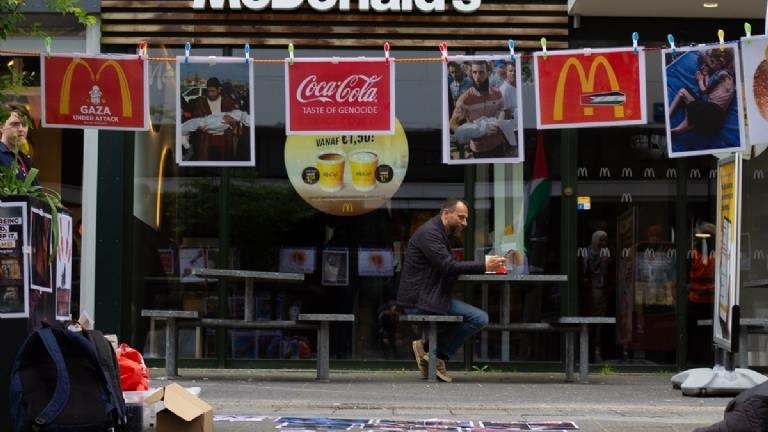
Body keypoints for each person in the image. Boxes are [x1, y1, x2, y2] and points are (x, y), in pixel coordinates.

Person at [396, 198, 505, 382]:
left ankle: (428, 350)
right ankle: (434, 355)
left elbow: (447, 266)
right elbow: (449, 266)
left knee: (472, 318)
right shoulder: (430, 233)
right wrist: (484, 265)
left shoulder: (440, 232)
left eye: (466, 219)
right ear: (446, 213)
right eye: (461, 217)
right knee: (479, 318)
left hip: (430, 297)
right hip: (420, 300)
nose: (465, 223)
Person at [449, 61, 514, 159]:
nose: (477, 76)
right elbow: (452, 123)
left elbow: (503, 112)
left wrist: (500, 125)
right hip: (479, 149)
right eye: (474, 72)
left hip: (498, 145)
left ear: (488, 73)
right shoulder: (465, 98)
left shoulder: (497, 93)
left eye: (481, 72)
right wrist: (467, 132)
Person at [669, 49, 735, 135]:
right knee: (698, 109)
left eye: (712, 61)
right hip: (717, 119)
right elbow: (709, 88)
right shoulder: (729, 77)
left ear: (721, 62)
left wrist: (700, 79)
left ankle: (668, 115)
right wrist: (706, 75)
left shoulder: (722, 73)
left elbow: (704, 90)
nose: (711, 64)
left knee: (683, 91)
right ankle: (685, 126)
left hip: (710, 111)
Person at [182, 77, 246, 161]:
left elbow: (238, 123)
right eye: (208, 91)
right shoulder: (200, 102)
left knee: (223, 167)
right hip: (205, 141)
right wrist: (199, 128)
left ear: (219, 89)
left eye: (213, 91)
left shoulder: (229, 102)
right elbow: (195, 119)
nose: (210, 94)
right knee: (207, 168)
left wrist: (232, 122)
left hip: (224, 141)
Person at [688, 221, 715, 364]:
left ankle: (702, 358)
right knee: (699, 332)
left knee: (704, 332)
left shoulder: (712, 254)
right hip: (699, 300)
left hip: (706, 300)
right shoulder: (695, 254)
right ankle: (697, 358)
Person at [582, 230, 611, 362]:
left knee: (600, 323)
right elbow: (584, 272)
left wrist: (605, 262)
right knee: (590, 323)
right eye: (601, 240)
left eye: (605, 240)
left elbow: (606, 275)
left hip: (602, 292)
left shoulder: (606, 254)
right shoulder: (586, 253)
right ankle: (589, 352)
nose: (603, 243)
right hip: (590, 293)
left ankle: (598, 351)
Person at [0, 102, 36, 183]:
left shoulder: (25, 158)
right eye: (15, 124)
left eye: (24, 124)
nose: (21, 129)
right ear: (1, 126)